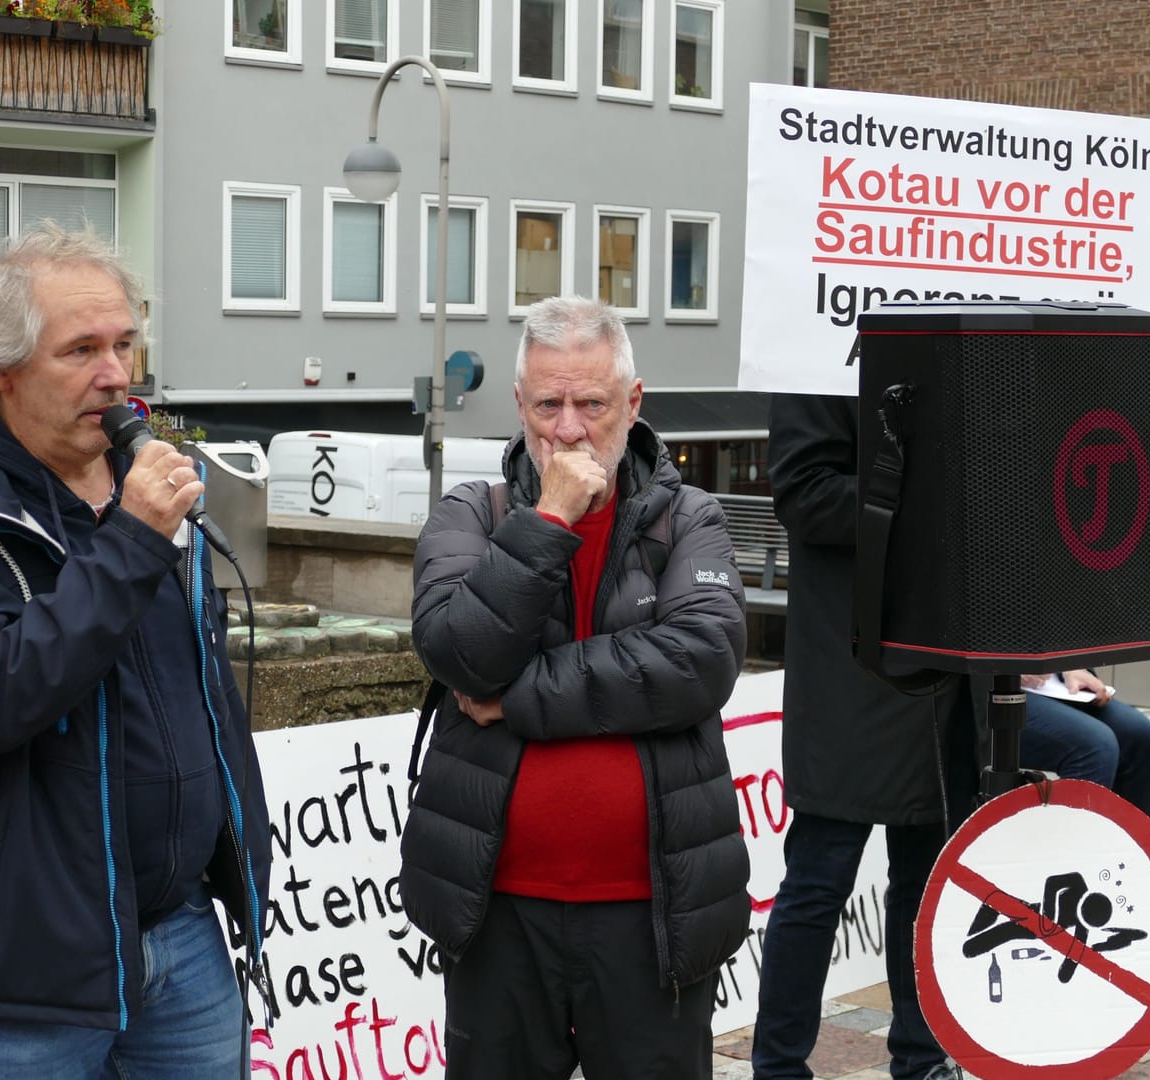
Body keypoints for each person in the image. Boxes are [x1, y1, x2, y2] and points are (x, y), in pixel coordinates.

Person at [0, 224, 270, 1077]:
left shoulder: (153, 478)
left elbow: (197, 690)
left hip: (180, 931)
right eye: (82, 349)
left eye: (125, 342)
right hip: (27, 965)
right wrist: (130, 542)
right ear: (0, 368)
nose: (117, 374)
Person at [399, 296, 750, 1079]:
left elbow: (701, 661)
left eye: (591, 404)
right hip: (498, 913)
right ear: (519, 404)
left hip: (655, 914)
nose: (568, 429)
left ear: (632, 403)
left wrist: (520, 700)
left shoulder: (689, 517)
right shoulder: (474, 515)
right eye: (548, 405)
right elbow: (461, 653)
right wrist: (549, 520)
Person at [752, 392, 979, 1080]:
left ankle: (921, 1056)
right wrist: (925, 501)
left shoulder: (959, 358)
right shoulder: (813, 362)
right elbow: (805, 495)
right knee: (820, 879)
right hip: (853, 661)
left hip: (944, 660)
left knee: (927, 882)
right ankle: (779, 1066)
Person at [1020, 669, 1150, 822]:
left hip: (1053, 682)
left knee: (1140, 734)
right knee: (1096, 744)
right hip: (999, 687)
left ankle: (1135, 843)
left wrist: (1073, 667)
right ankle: (1074, 843)